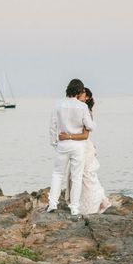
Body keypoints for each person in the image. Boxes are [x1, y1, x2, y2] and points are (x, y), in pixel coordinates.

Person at [47, 79, 96, 217]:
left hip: (62, 144)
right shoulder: (82, 107)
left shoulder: (58, 104)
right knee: (77, 177)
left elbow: (52, 127)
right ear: (79, 91)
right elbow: (90, 126)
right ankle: (74, 207)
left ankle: (52, 204)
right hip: (78, 145)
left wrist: (55, 143)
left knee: (57, 174)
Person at [59, 88, 111, 214]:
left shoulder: (86, 111)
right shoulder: (78, 110)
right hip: (80, 147)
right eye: (77, 94)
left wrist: (68, 137)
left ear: (86, 98)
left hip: (84, 147)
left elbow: (84, 136)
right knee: (79, 176)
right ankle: (99, 201)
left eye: (81, 95)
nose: (77, 97)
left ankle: (90, 207)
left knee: (86, 176)